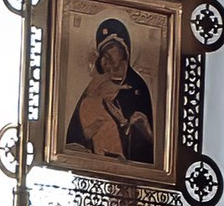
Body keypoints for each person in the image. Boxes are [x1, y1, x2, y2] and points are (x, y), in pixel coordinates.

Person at [63, 16, 158, 164]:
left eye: (110, 48)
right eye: (102, 52)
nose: (105, 57)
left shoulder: (138, 88)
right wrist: (87, 133)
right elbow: (74, 137)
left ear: (124, 48)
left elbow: (150, 147)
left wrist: (139, 129)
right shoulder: (95, 86)